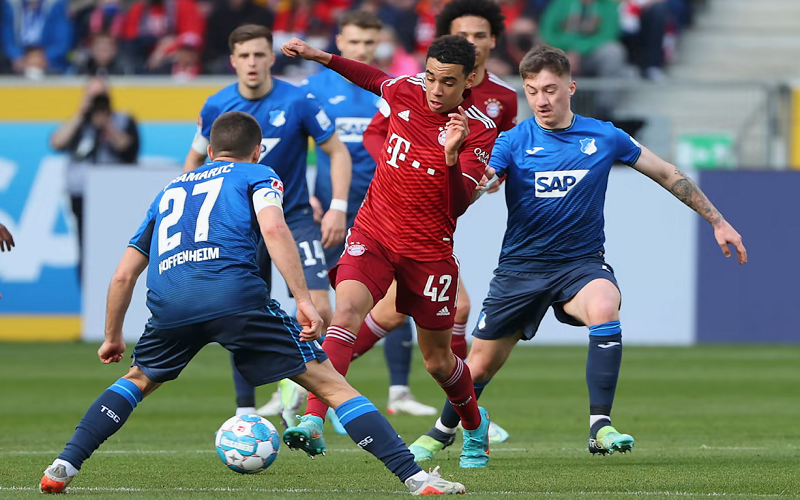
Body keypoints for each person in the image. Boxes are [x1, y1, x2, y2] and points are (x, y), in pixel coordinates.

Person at [38, 111, 465, 496]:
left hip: (171, 301)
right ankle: (416, 479)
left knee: (137, 380)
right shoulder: (259, 174)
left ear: (209, 151)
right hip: (234, 295)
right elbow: (275, 230)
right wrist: (304, 300)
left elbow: (123, 274)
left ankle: (63, 466)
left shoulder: (169, 191)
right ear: (257, 150)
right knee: (333, 386)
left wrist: (112, 336)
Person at [408, 45, 748, 466]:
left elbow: (666, 172)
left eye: (550, 90)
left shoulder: (604, 136)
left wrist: (718, 221)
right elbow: (477, 185)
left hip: (580, 266)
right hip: (520, 270)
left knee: (605, 305)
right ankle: (442, 432)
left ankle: (599, 426)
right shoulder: (512, 141)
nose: (541, 100)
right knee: (476, 369)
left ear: (570, 87)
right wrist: (472, 178)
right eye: (532, 91)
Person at [280, 34, 498, 469]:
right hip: (374, 232)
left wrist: (450, 157)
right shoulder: (407, 89)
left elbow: (456, 206)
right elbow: (371, 77)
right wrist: (318, 56)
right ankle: (313, 420)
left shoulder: (478, 130)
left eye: (448, 82)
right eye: (431, 77)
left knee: (438, 362)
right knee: (345, 314)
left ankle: (475, 425)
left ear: (469, 81)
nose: (435, 89)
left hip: (428, 252)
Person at [353, 0, 518, 446]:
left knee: (393, 313)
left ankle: (315, 379)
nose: (471, 42)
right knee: (451, 309)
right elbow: (377, 131)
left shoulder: (503, 99)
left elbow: (500, 152)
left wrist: (493, 175)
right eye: (462, 34)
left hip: (445, 211)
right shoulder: (418, 86)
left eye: (479, 35)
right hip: (397, 208)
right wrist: (411, 168)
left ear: (492, 41)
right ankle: (464, 417)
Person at [182, 24, 352, 422]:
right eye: (244, 55)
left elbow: (338, 152)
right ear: (233, 60)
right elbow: (193, 162)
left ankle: (305, 390)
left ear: (271, 57)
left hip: (292, 217)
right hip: (238, 226)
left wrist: (337, 207)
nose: (252, 62)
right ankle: (245, 412)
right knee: (240, 314)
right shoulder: (217, 105)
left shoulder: (299, 100)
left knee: (320, 308)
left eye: (259, 54)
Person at [302, 9, 437, 419]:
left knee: (400, 296)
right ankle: (300, 385)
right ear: (339, 42)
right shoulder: (311, 89)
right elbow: (292, 147)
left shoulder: (393, 89)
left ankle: (399, 391)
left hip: (385, 212)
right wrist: (304, 197)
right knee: (320, 304)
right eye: (354, 41)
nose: (361, 49)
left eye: (368, 42)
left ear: (378, 44)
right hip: (330, 212)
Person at [50, 76, 140, 284]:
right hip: (82, 195)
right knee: (85, 246)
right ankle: (88, 290)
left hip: (116, 196)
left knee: (117, 246)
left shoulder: (123, 121)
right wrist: (80, 113)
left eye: (101, 95)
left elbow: (128, 148)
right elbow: (57, 143)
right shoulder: (78, 123)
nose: (97, 100)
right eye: (93, 96)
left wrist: (107, 123)